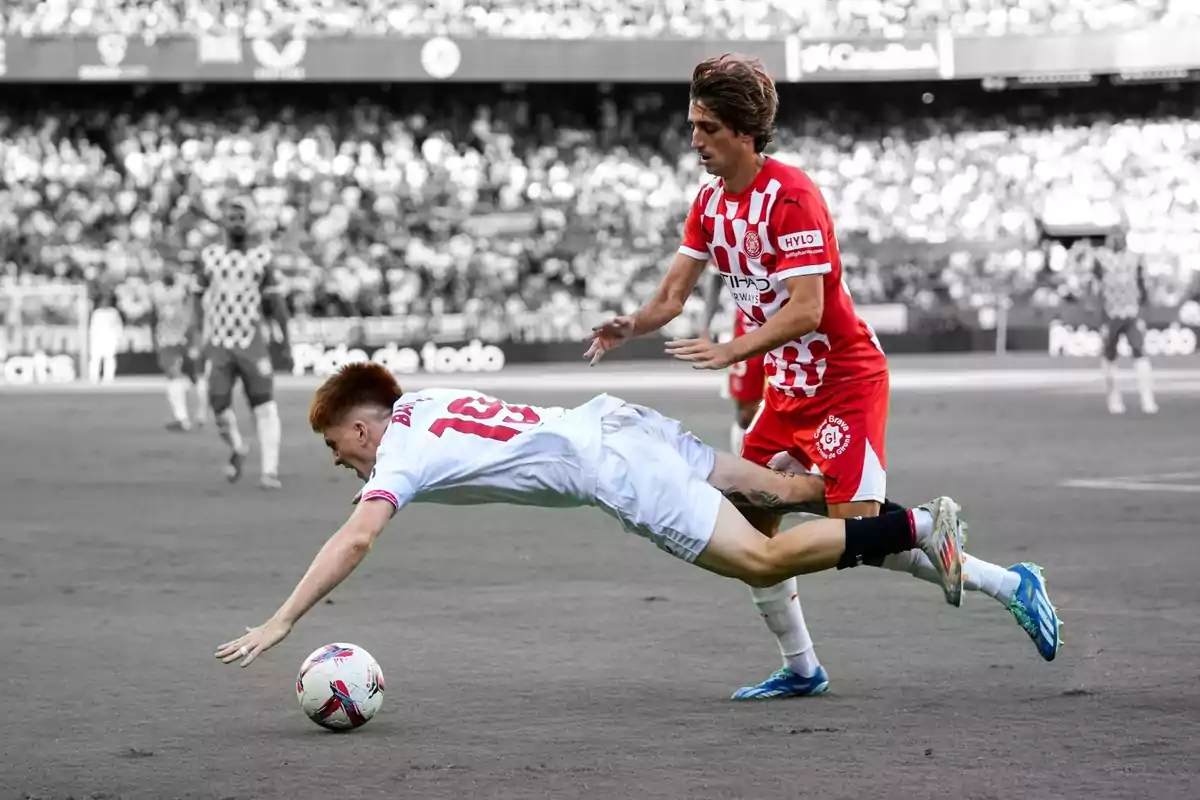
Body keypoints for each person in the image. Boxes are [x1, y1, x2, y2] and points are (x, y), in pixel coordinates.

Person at [585, 53, 1061, 698]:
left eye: (706, 128)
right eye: (692, 125)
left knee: (856, 525)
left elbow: (807, 310)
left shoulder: (792, 196)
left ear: (743, 133)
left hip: (843, 381)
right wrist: (631, 326)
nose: (693, 140)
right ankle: (803, 667)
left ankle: (1007, 582)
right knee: (748, 537)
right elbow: (671, 298)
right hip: (785, 389)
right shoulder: (707, 202)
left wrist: (732, 351)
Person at [216, 363, 970, 676]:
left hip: (617, 471)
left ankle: (918, 530)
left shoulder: (398, 455)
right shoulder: (426, 401)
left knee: (763, 559)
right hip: (617, 421)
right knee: (789, 491)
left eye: (335, 446)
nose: (340, 462)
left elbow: (356, 538)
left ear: (359, 428)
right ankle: (914, 526)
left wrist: (283, 620)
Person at [191, 197, 288, 489]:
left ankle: (269, 471)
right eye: (231, 217)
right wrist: (197, 333)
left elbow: (275, 300)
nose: (235, 222)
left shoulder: (262, 258)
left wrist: (285, 337)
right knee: (217, 404)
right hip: (218, 343)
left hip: (251, 342)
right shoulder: (208, 256)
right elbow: (196, 295)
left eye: (240, 217)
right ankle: (237, 446)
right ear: (223, 222)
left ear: (250, 221)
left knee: (264, 405)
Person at [1084, 233, 1158, 415]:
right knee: (1110, 356)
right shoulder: (1100, 259)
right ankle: (1114, 397)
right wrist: (1099, 316)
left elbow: (1143, 286)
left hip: (1131, 312)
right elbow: (1094, 288)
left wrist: (1143, 313)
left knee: (1139, 352)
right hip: (1111, 313)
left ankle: (1147, 397)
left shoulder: (1135, 259)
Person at [699, 271, 764, 456]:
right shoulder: (728, 242)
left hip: (790, 327)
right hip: (748, 328)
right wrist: (705, 326)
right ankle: (742, 467)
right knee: (746, 413)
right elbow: (714, 279)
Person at [152, 270, 207, 431]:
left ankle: (191, 416)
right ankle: (191, 416)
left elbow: (194, 313)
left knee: (188, 377)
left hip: (181, 337)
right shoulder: (160, 289)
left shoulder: (183, 287)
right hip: (172, 339)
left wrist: (195, 338)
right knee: (185, 376)